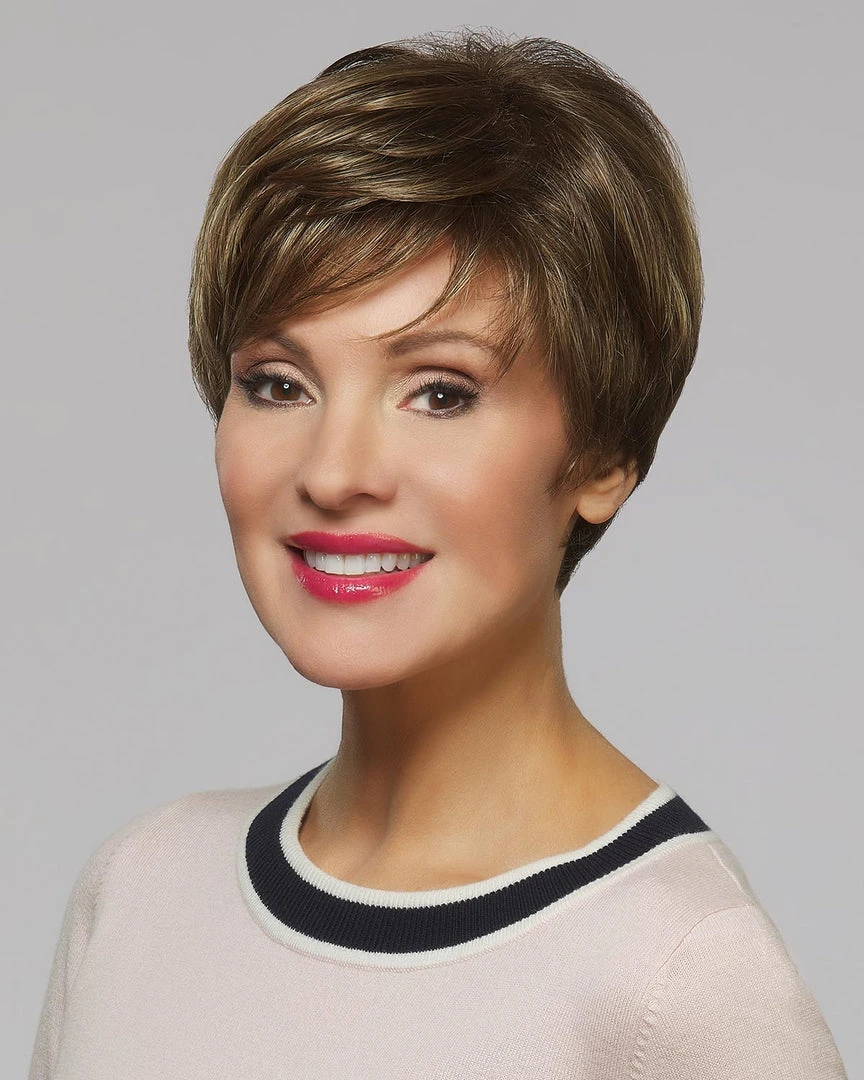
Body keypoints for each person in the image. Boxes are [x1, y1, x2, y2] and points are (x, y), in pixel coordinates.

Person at [28, 30, 847, 1079]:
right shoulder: (140, 892)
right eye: (278, 383)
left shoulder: (678, 977)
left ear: (604, 454)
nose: (335, 471)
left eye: (441, 393)